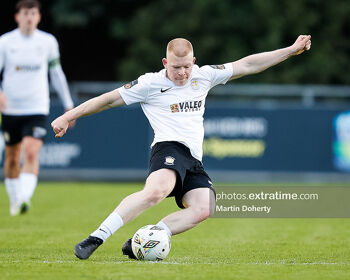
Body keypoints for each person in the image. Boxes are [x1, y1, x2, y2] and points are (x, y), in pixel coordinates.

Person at [51, 35, 311, 260]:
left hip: (193, 160)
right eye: (176, 67)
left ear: (194, 61)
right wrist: (68, 116)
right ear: (165, 63)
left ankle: (145, 239)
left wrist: (290, 50)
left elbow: (248, 64)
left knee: (205, 207)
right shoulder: (149, 84)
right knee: (156, 192)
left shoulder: (204, 76)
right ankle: (96, 238)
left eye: (187, 66)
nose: (183, 73)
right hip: (168, 148)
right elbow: (107, 100)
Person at [0, 0, 74, 216]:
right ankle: (15, 201)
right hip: (11, 110)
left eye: (33, 13)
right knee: (12, 157)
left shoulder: (47, 42)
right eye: (25, 13)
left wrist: (69, 105)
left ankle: (24, 198)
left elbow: (56, 74)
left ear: (39, 17)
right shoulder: (5, 42)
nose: (29, 17)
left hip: (37, 107)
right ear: (17, 17)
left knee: (31, 153)